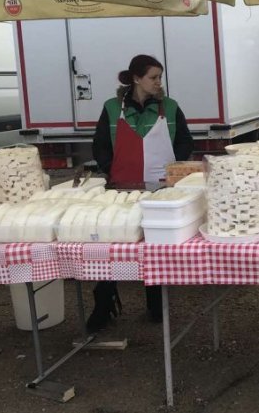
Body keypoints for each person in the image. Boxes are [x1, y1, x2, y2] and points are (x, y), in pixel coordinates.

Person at [88, 54, 194, 332]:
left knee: (153, 245)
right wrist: (111, 169)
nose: (159, 83)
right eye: (153, 77)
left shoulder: (170, 107)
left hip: (160, 189)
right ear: (136, 78)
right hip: (121, 189)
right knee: (112, 244)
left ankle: (156, 304)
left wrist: (176, 168)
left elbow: (185, 141)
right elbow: (100, 145)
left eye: (160, 77)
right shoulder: (112, 108)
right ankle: (104, 303)